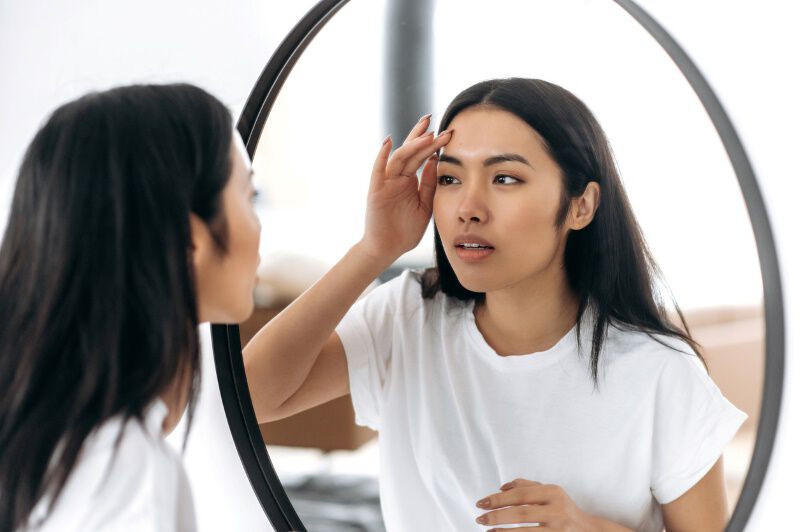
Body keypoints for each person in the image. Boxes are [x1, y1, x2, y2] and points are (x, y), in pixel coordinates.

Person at [243, 77, 747, 531]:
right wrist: (374, 249)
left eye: (505, 178)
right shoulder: (407, 316)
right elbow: (251, 398)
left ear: (581, 205)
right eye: (450, 178)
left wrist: (588, 529)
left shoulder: (661, 373)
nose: (468, 209)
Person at [0, 83, 261, 531]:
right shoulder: (128, 478)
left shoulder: (53, 444)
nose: (259, 226)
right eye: (248, 196)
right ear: (188, 240)